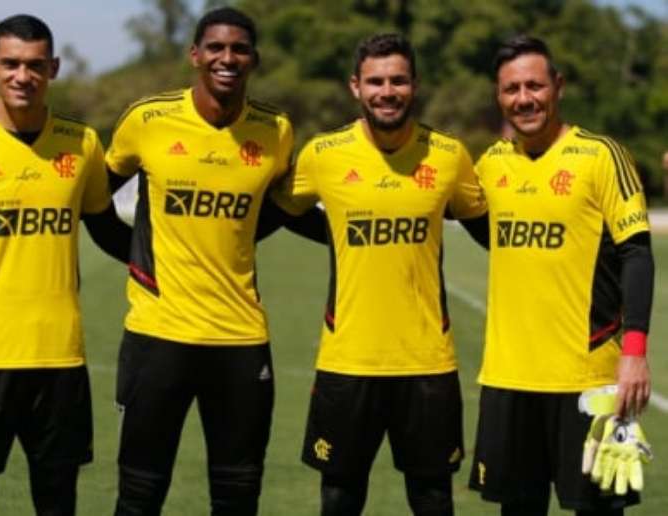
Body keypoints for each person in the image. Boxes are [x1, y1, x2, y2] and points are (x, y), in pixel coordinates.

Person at [105, 7, 324, 515]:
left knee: (238, 494)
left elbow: (282, 211)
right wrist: (138, 259)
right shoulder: (148, 120)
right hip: (157, 336)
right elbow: (95, 200)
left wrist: (350, 241)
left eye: (239, 49)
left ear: (254, 59)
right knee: (139, 494)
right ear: (195, 55)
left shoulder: (276, 131)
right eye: (217, 48)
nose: (228, 59)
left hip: (240, 342)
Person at [0, 14, 130, 516]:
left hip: (60, 357)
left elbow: (109, 232)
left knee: (57, 501)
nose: (22, 76)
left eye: (35, 65)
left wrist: (182, 251)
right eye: (10, 63)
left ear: (52, 68)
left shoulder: (82, 144)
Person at [271, 33, 488, 516]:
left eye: (398, 80)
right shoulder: (323, 154)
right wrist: (337, 233)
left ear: (414, 85)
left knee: (432, 495)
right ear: (355, 86)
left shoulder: (449, 155)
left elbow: (493, 231)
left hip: (428, 360)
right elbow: (277, 211)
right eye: (376, 81)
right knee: (340, 494)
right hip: (349, 358)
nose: (387, 91)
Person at [468, 35, 653, 516]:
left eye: (534, 85)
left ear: (558, 86)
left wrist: (634, 353)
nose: (524, 98)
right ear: (498, 95)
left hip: (587, 379)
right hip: (509, 378)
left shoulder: (602, 156)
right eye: (511, 89)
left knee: (595, 509)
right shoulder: (490, 165)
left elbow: (637, 255)